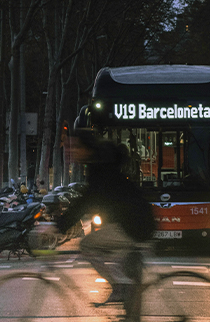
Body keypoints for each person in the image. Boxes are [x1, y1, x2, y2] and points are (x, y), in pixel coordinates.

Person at [55, 130, 156, 304]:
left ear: (87, 148)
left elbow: (87, 200)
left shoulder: (100, 168)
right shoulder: (103, 163)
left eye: (75, 146)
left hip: (133, 227)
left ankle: (119, 286)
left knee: (87, 245)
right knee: (127, 274)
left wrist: (59, 227)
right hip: (136, 223)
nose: (71, 151)